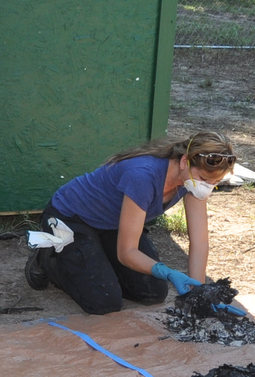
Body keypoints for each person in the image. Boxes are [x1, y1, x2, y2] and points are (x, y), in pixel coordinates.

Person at [24, 132, 237, 314]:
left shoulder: (192, 180)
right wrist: (168, 272)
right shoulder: (143, 176)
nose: (206, 187)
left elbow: (199, 241)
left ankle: (95, 259)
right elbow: (127, 252)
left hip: (110, 223)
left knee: (153, 293)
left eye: (215, 183)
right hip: (69, 217)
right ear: (184, 161)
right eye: (203, 179)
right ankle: (48, 259)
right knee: (103, 301)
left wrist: (199, 293)